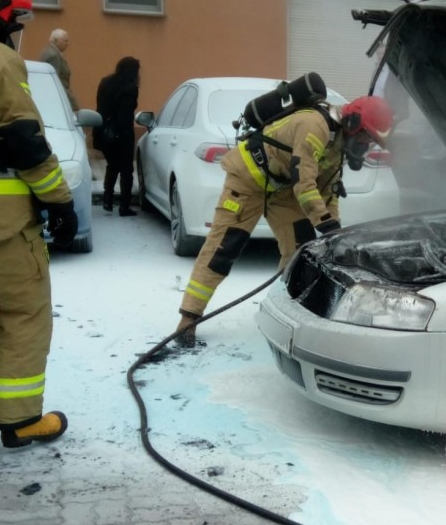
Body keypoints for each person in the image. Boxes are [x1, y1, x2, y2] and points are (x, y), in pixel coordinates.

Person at [173, 81, 394, 348]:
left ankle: (285, 313)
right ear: (353, 121)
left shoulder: (337, 145)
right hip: (247, 180)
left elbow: (328, 192)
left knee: (298, 253)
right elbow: (305, 184)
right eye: (366, 137)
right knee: (223, 249)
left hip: (281, 189)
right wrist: (325, 224)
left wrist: (334, 231)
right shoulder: (314, 126)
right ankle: (189, 317)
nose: (366, 144)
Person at [0, 0, 77, 466]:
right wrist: (59, 201)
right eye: (15, 22)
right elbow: (26, 144)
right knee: (23, 315)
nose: (15, 32)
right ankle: (19, 419)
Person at [94, 56, 141, 217]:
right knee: (126, 170)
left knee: (112, 165)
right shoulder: (130, 88)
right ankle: (124, 206)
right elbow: (125, 115)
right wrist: (125, 134)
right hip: (121, 134)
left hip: (103, 131)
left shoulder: (105, 82)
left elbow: (100, 106)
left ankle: (107, 199)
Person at [38, 27, 79, 111]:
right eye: (65, 41)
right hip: (59, 98)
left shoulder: (48, 51)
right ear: (56, 40)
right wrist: (70, 101)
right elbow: (55, 81)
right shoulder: (54, 56)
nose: (67, 44)